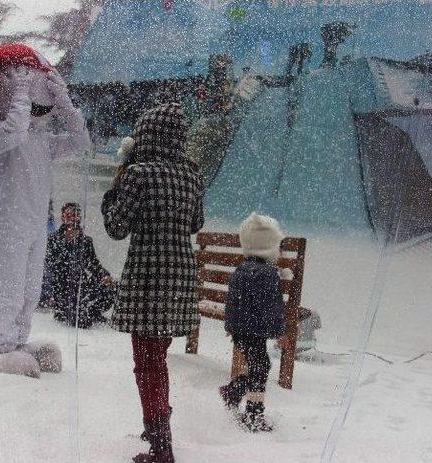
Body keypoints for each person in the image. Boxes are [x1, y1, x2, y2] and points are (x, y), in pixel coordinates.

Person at [0, 43, 91, 378]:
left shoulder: (41, 138)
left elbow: (82, 143)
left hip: (36, 224)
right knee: (8, 288)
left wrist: (66, 105)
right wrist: (21, 91)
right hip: (9, 222)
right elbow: (14, 132)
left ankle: (17, 342)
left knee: (30, 289)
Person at [102, 102, 204, 463]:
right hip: (180, 276)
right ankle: (158, 423)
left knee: (146, 362)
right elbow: (195, 224)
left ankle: (162, 447)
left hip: (148, 276)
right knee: (157, 356)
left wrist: (114, 190)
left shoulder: (138, 174)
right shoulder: (192, 174)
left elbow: (116, 228)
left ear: (145, 134)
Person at [219, 212, 285, 433]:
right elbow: (272, 307)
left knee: (259, 365)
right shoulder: (267, 274)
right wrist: (279, 330)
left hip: (242, 328)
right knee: (261, 366)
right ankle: (253, 414)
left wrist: (232, 326)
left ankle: (234, 392)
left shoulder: (243, 268)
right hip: (253, 330)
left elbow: (233, 301)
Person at [46, 202, 115, 328]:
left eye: (74, 215)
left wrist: (105, 276)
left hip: (82, 287)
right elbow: (52, 265)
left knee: (112, 288)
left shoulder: (85, 241)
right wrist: (68, 243)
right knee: (82, 322)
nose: (71, 218)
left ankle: (91, 311)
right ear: (62, 217)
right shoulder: (53, 239)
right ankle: (74, 312)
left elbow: (94, 265)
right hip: (63, 291)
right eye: (68, 215)